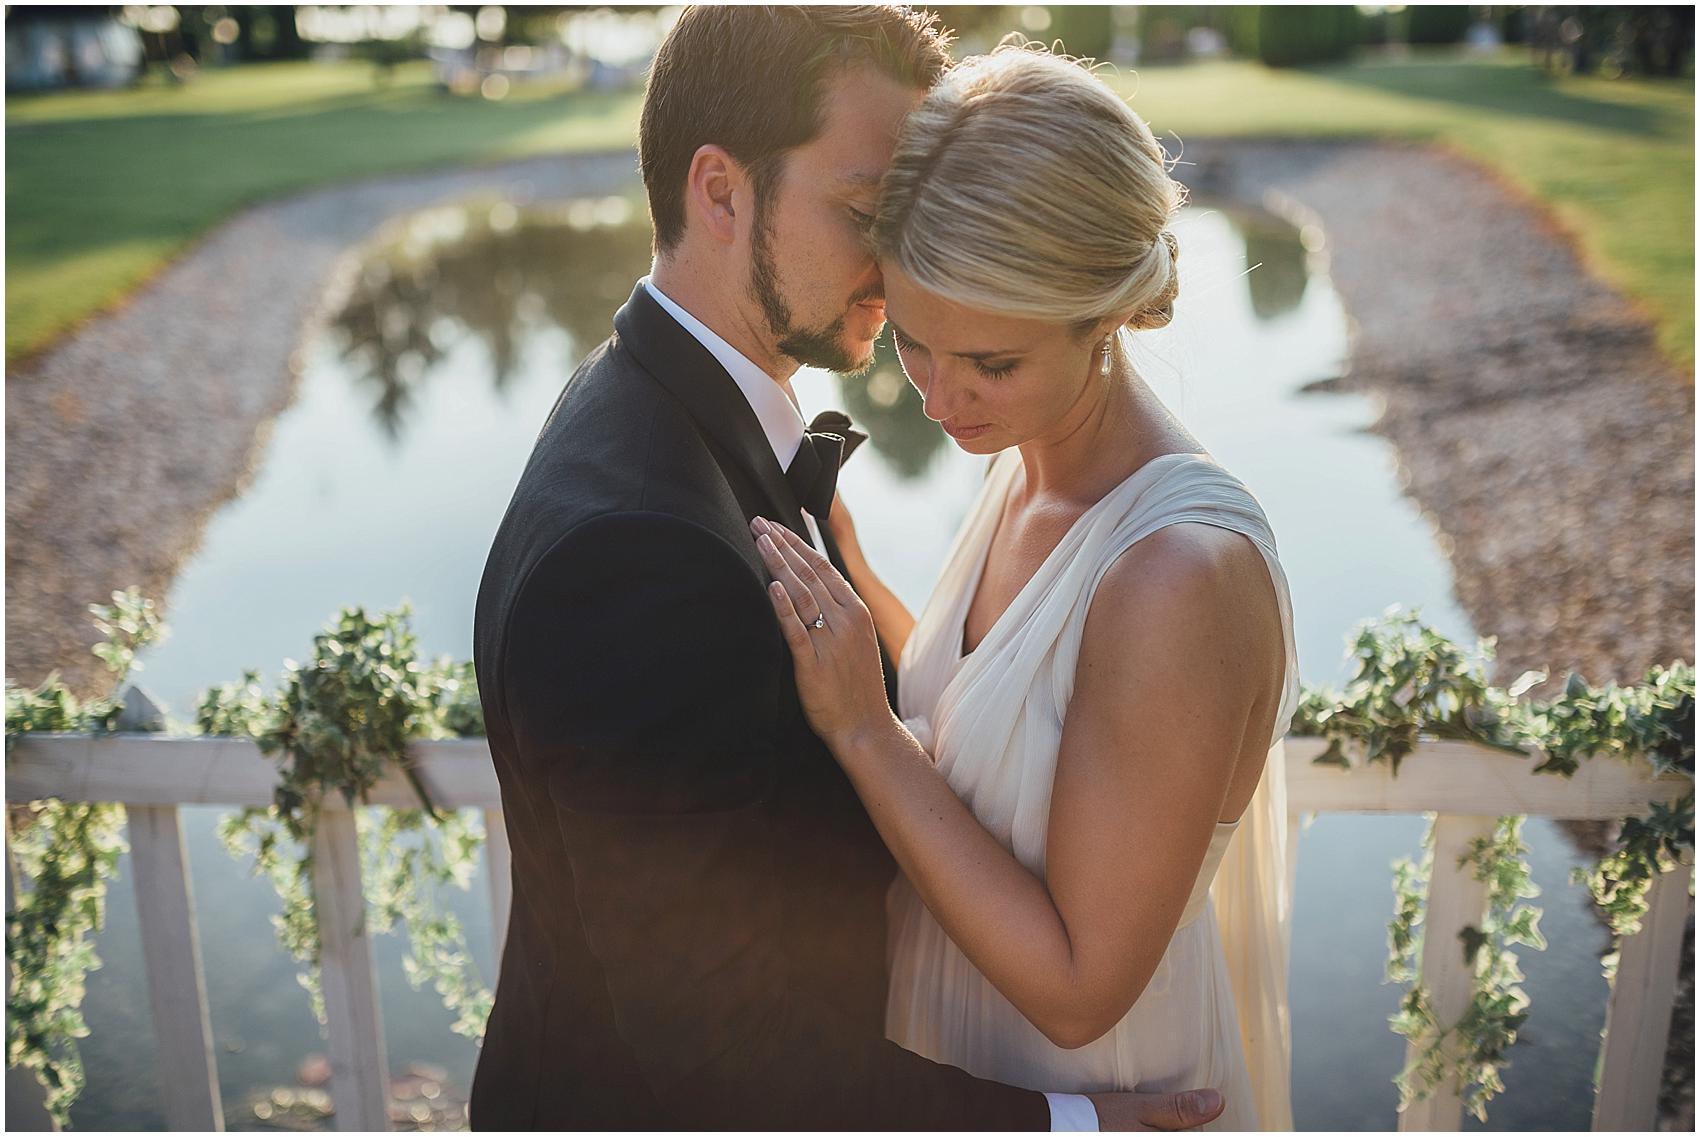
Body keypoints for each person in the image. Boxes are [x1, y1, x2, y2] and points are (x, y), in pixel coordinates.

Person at [469, 6, 1225, 1130]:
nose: (906, 260)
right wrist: (1073, 1126)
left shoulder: (666, 404)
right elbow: (721, 1061)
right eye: (871, 212)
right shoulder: (637, 559)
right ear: (720, 193)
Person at [752, 43, 1301, 1132]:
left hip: (1098, 1086)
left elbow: (1076, 983)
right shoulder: (1026, 454)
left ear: (1102, 316)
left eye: (990, 362)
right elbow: (989, 721)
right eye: (912, 340)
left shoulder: (1173, 577)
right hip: (964, 1070)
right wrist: (851, 572)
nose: (943, 396)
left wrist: (864, 733)